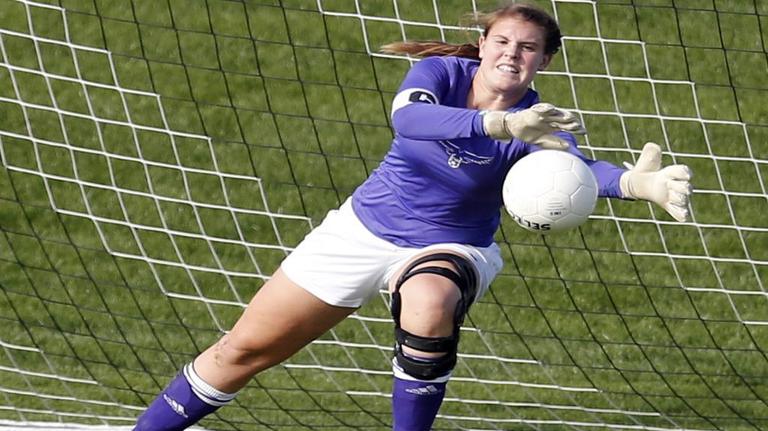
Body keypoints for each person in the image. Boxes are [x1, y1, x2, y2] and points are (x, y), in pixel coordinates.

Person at [133, 2, 692, 430]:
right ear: (482, 44)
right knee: (240, 352)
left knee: (429, 300)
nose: (511, 54)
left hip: (453, 245)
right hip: (361, 231)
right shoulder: (442, 74)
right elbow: (410, 121)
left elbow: (572, 171)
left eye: (527, 48)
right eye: (502, 41)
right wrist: (498, 125)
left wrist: (636, 183)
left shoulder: (538, 120)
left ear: (544, 60)